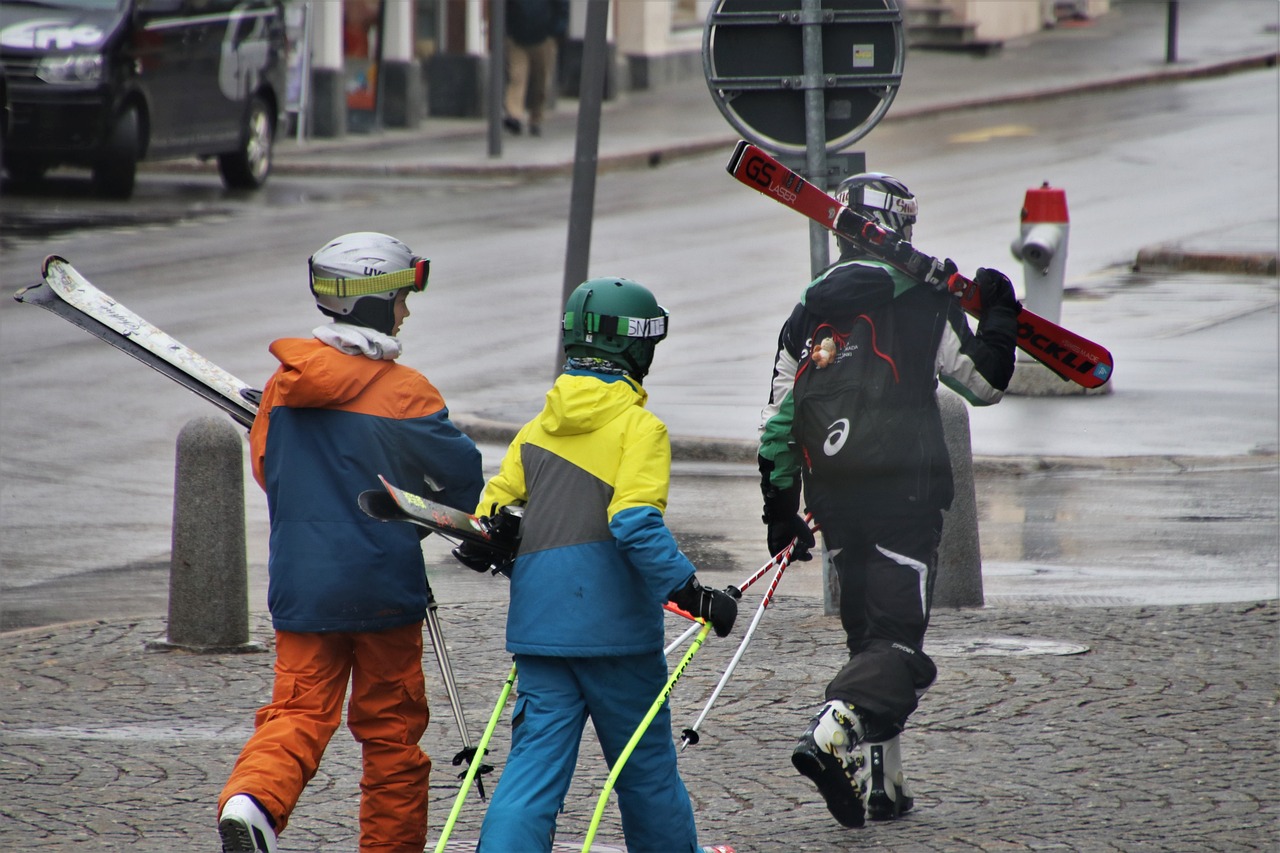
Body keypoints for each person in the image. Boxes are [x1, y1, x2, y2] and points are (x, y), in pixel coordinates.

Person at [757, 173, 1019, 829]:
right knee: (898, 645)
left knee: (870, 640)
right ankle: (832, 729)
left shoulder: (809, 310)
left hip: (835, 499)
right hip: (906, 495)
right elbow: (983, 383)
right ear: (900, 227)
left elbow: (778, 422)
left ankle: (885, 784)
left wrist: (780, 511)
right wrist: (1001, 311)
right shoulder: (924, 302)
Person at [217, 232, 484, 853]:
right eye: (399, 299)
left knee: (297, 714)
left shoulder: (282, 387)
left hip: (302, 586)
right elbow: (461, 480)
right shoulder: (406, 392)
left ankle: (250, 802)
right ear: (372, 303)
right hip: (382, 586)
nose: (406, 312)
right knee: (392, 736)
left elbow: (267, 469)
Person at [454, 277, 738, 852]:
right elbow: (633, 522)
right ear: (638, 348)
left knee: (532, 775)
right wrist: (692, 594)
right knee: (645, 771)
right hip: (617, 640)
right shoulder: (640, 428)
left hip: (541, 633)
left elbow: (490, 515)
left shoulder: (536, 429)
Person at [502, 0, 569, 136]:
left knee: (541, 82)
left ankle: (536, 117)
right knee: (516, 77)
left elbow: (562, 6)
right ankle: (515, 115)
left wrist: (556, 31)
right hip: (517, 39)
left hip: (543, 39)